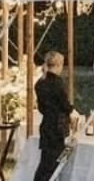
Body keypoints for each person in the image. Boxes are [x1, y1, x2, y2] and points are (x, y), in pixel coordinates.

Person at [34, 51, 74, 181]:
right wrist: (71, 111)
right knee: (55, 162)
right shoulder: (57, 83)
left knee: (47, 162)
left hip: (47, 125)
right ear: (59, 65)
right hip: (59, 128)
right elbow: (64, 104)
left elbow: (41, 107)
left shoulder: (40, 83)